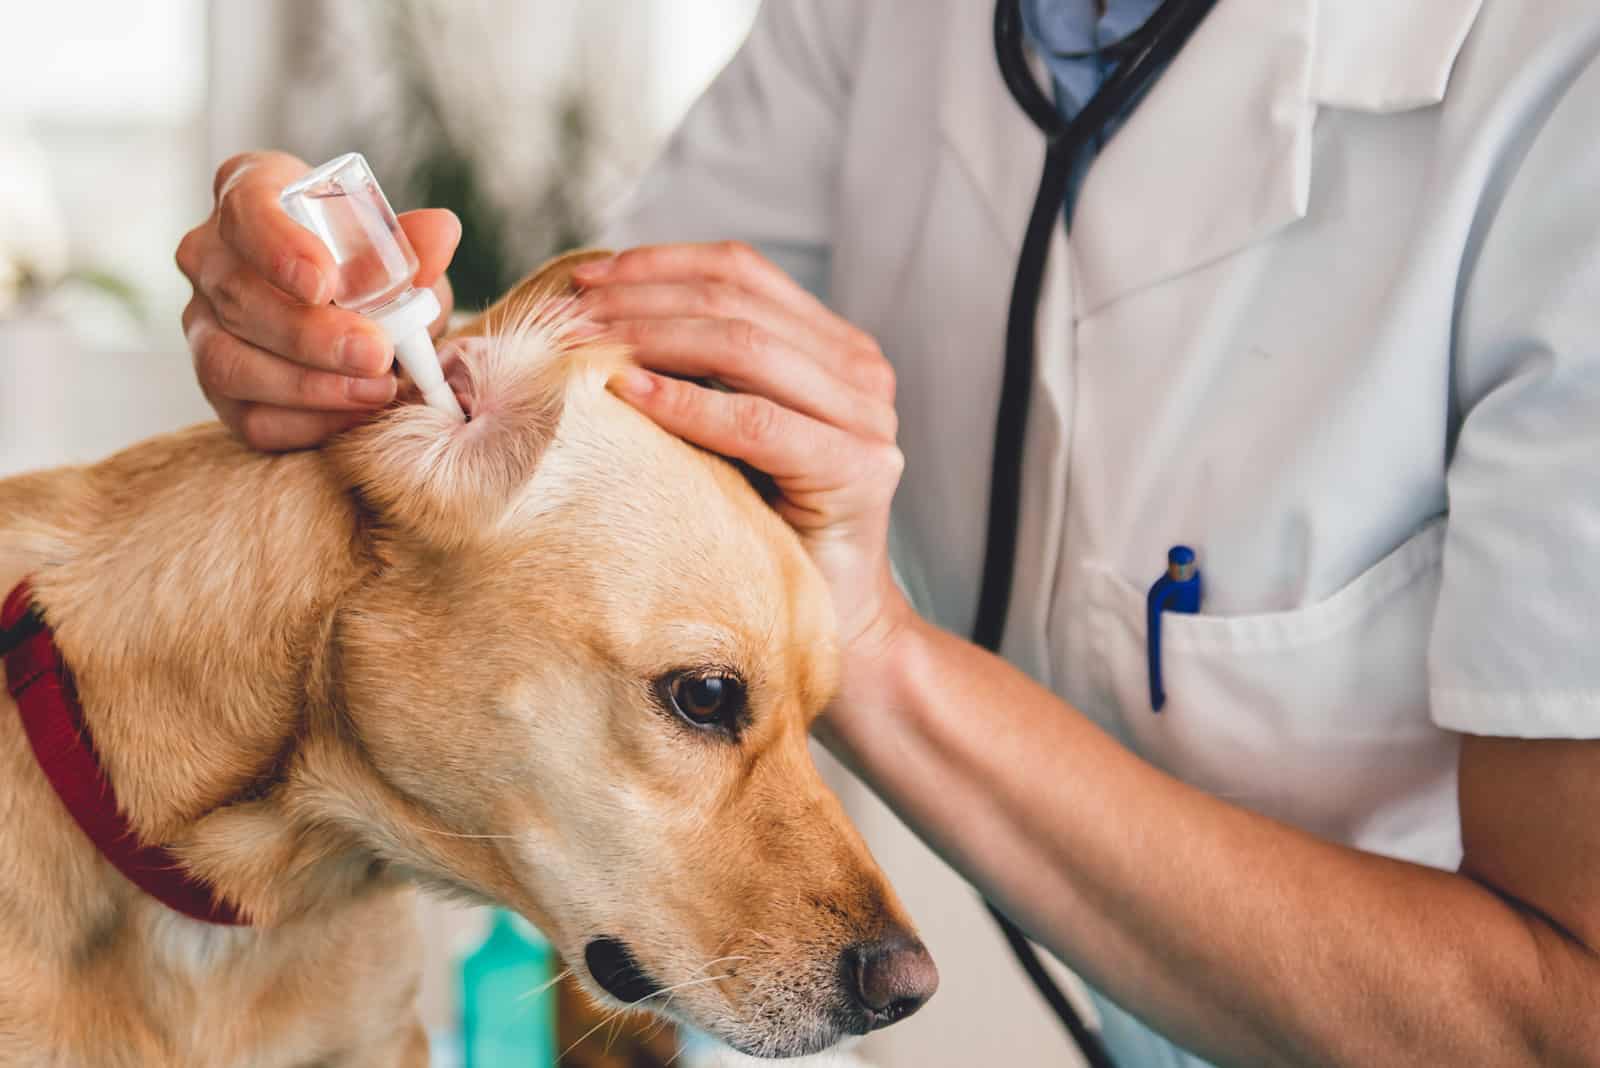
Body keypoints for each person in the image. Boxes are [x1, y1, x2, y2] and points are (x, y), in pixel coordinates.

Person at [176, 2, 1600, 1064]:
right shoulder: (870, 19)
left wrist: (876, 648)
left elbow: (1557, 1016)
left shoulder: (1558, 92)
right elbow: (572, 426)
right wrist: (331, 335)